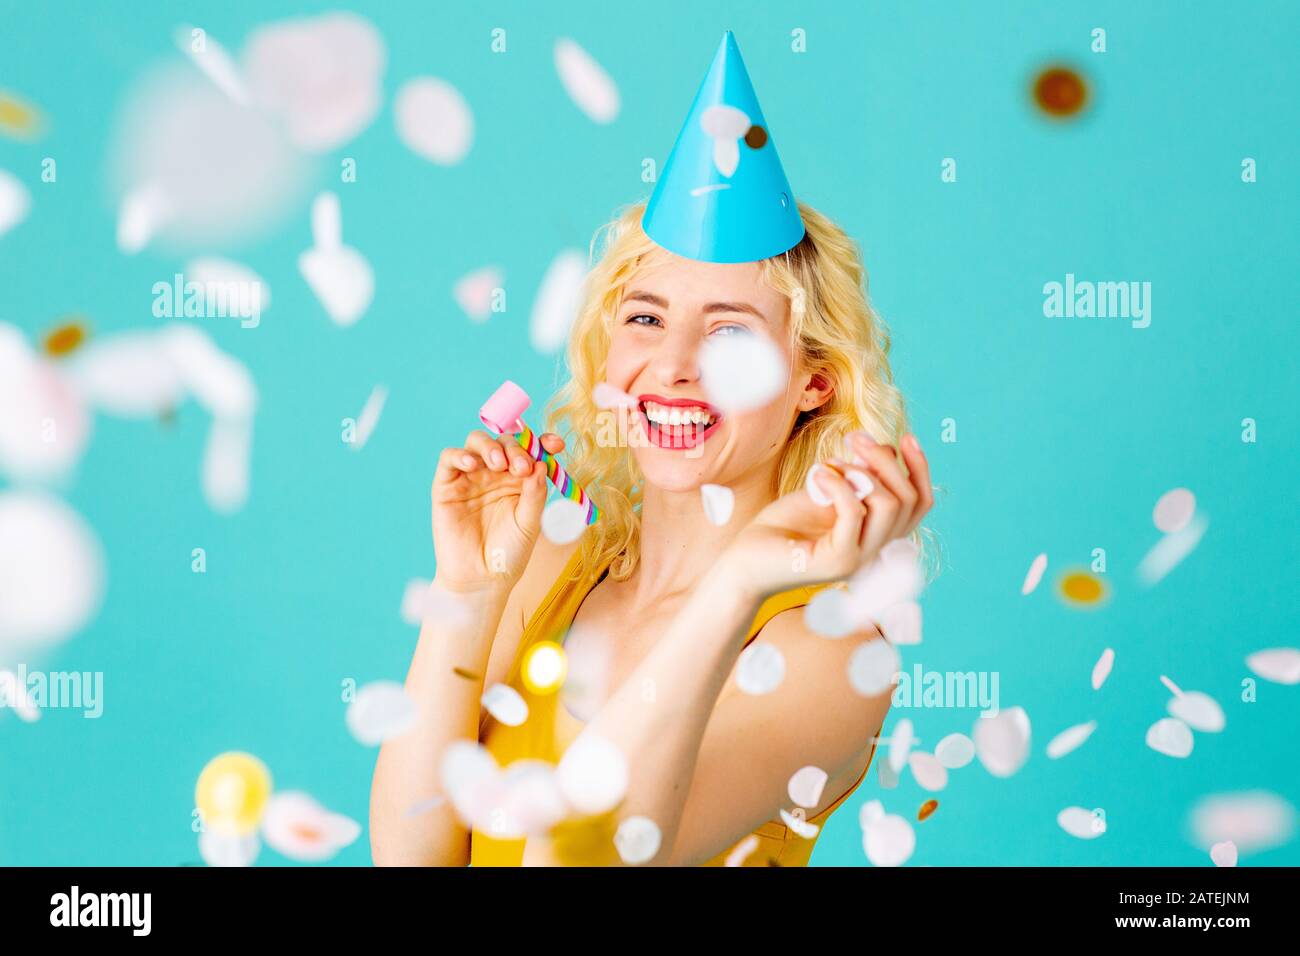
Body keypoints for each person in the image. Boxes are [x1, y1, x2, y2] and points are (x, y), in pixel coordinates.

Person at [371, 31, 933, 867]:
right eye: (645, 318)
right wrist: (469, 593)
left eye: (728, 333)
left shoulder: (829, 652)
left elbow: (585, 858)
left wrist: (736, 582)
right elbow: (412, 859)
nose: (670, 368)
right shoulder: (558, 562)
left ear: (813, 380)